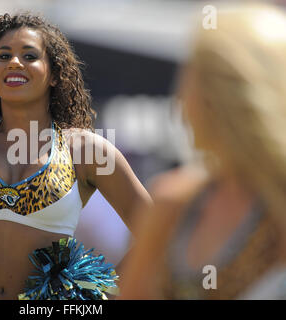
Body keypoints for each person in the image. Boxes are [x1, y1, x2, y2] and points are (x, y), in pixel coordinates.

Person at [0, 13, 152, 300]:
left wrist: (104, 291)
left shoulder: (87, 150)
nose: (14, 62)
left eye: (29, 55)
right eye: (4, 56)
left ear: (54, 74)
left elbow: (157, 233)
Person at [118, 2, 286, 299]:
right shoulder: (173, 204)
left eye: (191, 82)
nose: (182, 103)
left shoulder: (277, 218)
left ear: (222, 101)